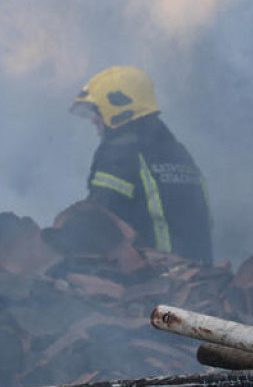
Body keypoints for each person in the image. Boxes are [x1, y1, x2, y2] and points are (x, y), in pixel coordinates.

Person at [67, 65, 214, 263]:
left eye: (98, 112)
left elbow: (97, 220)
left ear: (118, 109)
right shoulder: (177, 152)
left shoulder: (119, 154)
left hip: (156, 276)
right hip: (201, 271)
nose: (94, 120)